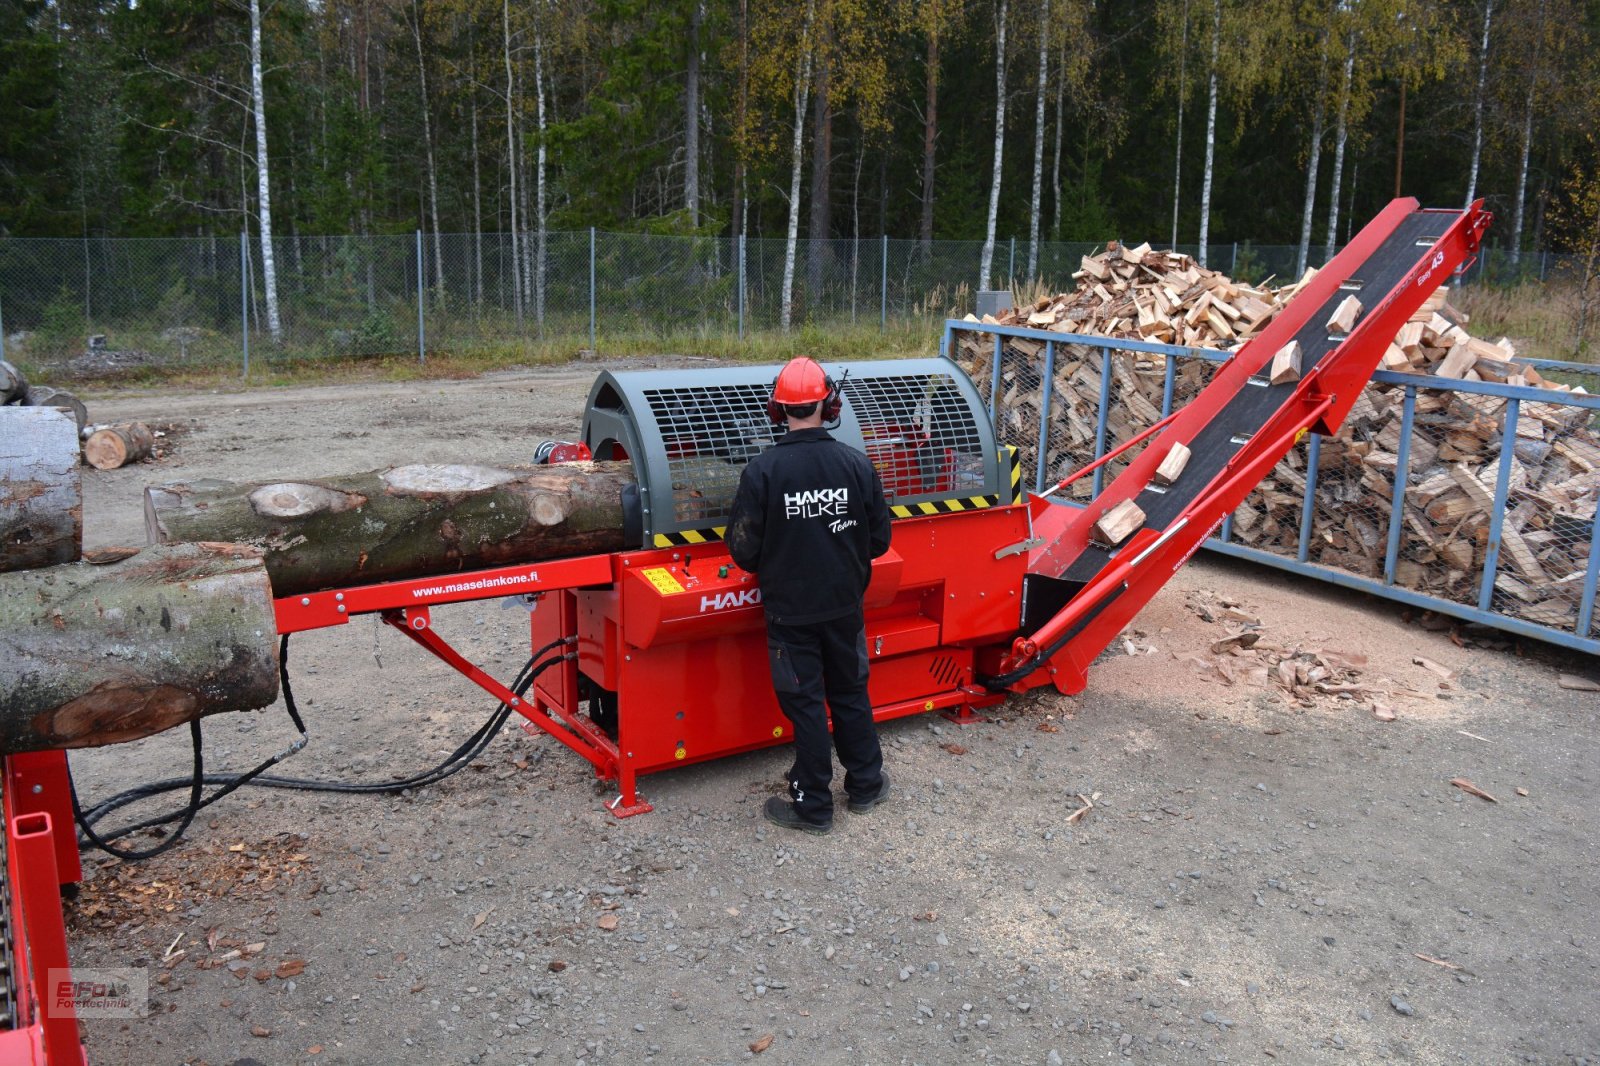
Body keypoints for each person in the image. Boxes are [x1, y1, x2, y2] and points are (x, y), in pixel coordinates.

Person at [727, 357, 894, 835]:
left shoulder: (762, 471)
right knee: (849, 694)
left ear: (777, 410)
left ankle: (813, 806)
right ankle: (865, 785)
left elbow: (743, 550)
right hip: (845, 607)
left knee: (805, 704)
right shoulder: (856, 464)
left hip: (790, 615)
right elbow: (879, 541)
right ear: (829, 404)